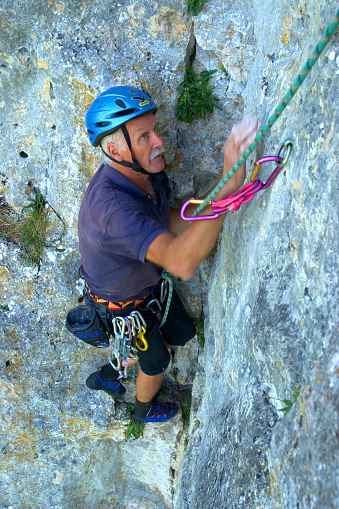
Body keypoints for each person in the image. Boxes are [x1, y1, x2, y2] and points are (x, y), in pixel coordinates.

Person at [78, 85, 257, 423]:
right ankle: (142, 411)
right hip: (122, 309)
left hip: (143, 290)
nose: (159, 141)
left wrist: (222, 191)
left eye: (154, 130)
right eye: (144, 136)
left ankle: (112, 371)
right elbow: (181, 262)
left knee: (178, 335)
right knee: (157, 362)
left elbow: (170, 218)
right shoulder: (112, 211)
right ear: (116, 151)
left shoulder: (145, 174)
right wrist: (228, 185)